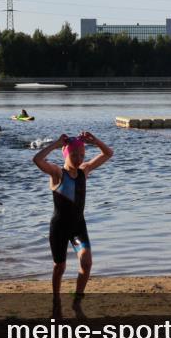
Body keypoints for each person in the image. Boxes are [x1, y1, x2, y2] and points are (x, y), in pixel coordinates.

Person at [33, 131, 113, 309]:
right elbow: (37, 160)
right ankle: (56, 299)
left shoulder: (84, 170)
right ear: (66, 154)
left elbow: (108, 154)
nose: (79, 159)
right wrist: (55, 144)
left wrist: (95, 141)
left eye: (82, 155)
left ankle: (77, 299)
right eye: (75, 155)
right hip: (59, 228)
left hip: (78, 226)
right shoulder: (57, 173)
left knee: (86, 262)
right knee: (59, 267)